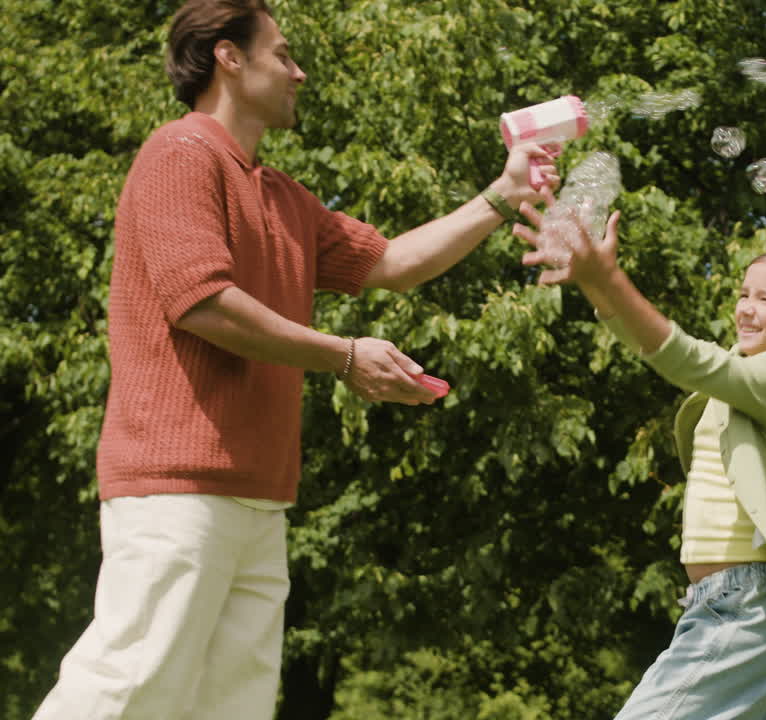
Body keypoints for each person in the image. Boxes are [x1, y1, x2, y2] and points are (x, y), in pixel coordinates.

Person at [32, 1, 556, 718]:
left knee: (231, 708)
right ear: (229, 57)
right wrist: (344, 356)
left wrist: (504, 195)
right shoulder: (180, 155)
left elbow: (396, 263)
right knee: (127, 690)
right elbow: (202, 302)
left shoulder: (281, 196)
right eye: (283, 54)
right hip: (177, 489)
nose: (299, 72)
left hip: (261, 494)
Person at [516, 202, 766, 719]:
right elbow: (656, 348)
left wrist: (613, 277)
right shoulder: (750, 374)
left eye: (765, 298)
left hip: (743, 609)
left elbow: (687, 359)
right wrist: (595, 285)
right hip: (723, 605)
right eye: (742, 294)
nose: (745, 308)